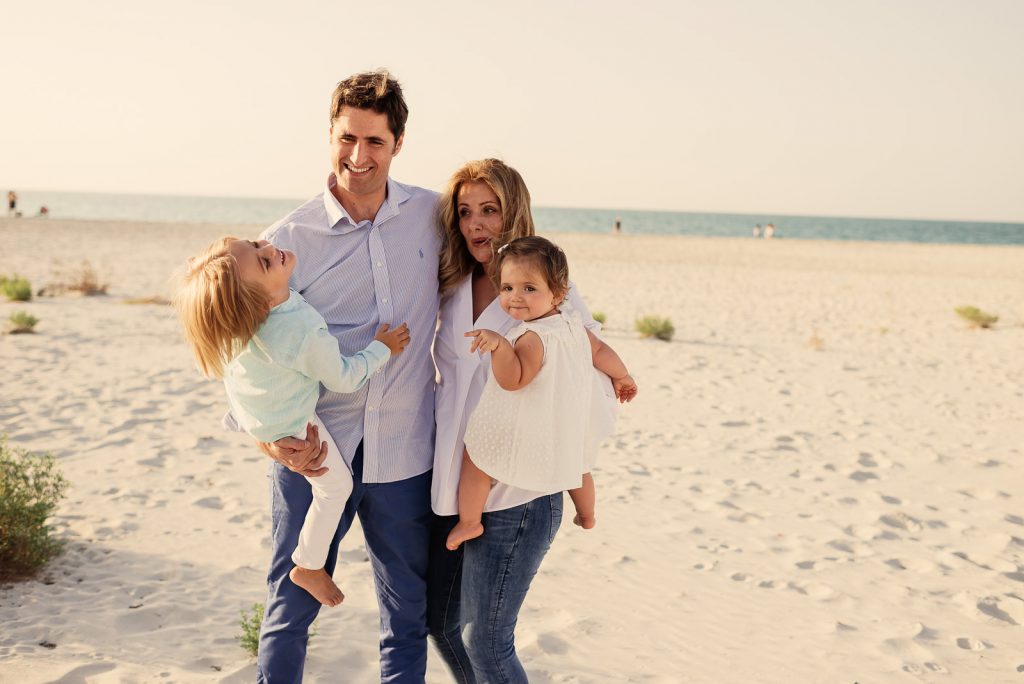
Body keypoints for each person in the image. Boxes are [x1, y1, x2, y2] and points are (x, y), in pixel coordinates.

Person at [247, 71, 441, 683]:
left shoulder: (433, 216)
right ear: (330, 135)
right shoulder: (285, 240)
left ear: (398, 143)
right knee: (290, 610)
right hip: (314, 452)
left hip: (406, 453)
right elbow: (241, 359)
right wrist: (265, 440)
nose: (359, 157)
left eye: (375, 142)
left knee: (407, 617)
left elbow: (515, 267)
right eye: (347, 138)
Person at [428, 159, 633, 682]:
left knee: (488, 642)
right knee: (442, 623)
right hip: (458, 483)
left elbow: (589, 377)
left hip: (520, 490)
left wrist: (552, 453)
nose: (476, 224)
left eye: (490, 210)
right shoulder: (452, 285)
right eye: (466, 211)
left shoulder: (549, 294)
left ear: (513, 212)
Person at [174, 236, 411, 608]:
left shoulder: (247, 320)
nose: (269, 249)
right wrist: (383, 348)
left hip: (257, 409)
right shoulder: (298, 331)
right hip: (291, 424)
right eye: (264, 262)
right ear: (259, 301)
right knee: (336, 488)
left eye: (255, 243)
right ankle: (308, 564)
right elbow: (345, 378)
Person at [446, 236, 637, 550]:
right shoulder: (574, 324)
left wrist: (499, 345)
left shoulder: (530, 337)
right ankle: (587, 514)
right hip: (565, 420)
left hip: (531, 425)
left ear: (559, 293)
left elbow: (514, 380)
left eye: (529, 288)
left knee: (476, 458)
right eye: (507, 288)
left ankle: (470, 522)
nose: (515, 298)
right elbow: (600, 351)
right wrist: (623, 376)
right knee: (579, 464)